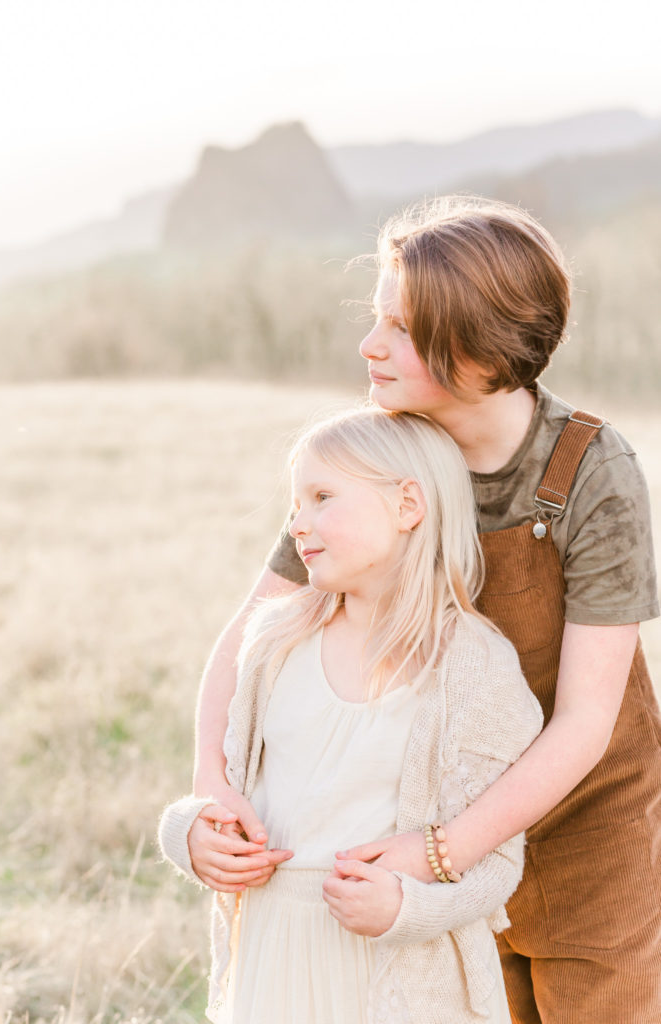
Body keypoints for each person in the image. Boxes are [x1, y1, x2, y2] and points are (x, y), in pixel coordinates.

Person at [185, 197, 661, 1024]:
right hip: (419, 821)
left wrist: (443, 854)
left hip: (586, 829)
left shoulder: (589, 470)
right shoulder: (376, 458)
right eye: (376, 317)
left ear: (481, 342)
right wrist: (209, 790)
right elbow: (253, 629)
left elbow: (586, 723)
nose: (369, 345)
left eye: (400, 327)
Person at [159, 406, 543, 1023]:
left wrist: (407, 910)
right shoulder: (273, 642)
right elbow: (225, 796)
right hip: (274, 959)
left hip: (397, 976)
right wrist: (189, 834)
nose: (297, 526)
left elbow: (497, 864)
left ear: (407, 505)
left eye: (322, 497)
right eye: (294, 505)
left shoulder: (476, 668)